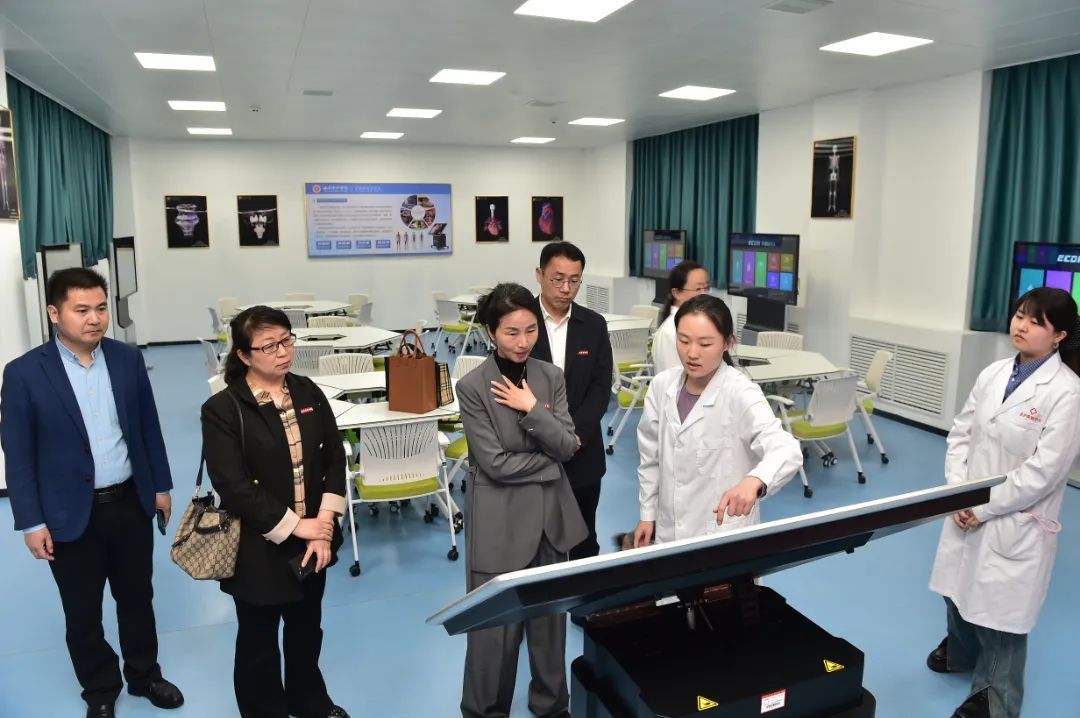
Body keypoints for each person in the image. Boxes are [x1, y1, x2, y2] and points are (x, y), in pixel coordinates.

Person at [1, 268, 183, 718]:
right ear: (54, 313)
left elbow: (148, 427)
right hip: (67, 513)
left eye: (101, 308)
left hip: (129, 502)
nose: (95, 318)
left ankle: (144, 675)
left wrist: (160, 485)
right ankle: (100, 688)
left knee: (137, 598)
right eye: (81, 310)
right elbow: (18, 455)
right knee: (82, 611)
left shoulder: (126, 359)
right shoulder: (24, 373)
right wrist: (31, 521)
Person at [927, 287, 1080, 718]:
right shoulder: (993, 373)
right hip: (966, 504)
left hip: (1015, 518)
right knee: (955, 591)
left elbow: (1044, 472)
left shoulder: (1067, 393)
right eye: (1019, 315)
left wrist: (982, 507)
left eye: (1036, 321)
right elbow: (961, 433)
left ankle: (995, 700)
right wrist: (958, 490)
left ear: (1059, 335)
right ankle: (961, 652)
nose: (1021, 325)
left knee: (1001, 615)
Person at [200, 306, 349, 718]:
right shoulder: (224, 409)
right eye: (268, 346)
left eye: (286, 341)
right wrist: (298, 527)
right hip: (259, 546)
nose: (282, 352)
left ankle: (308, 700)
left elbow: (334, 458)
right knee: (258, 640)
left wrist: (324, 525)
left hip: (315, 540)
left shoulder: (307, 391)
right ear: (244, 355)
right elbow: (233, 486)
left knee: (307, 629)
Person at [457, 283, 587, 718]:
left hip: (550, 521)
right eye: (511, 332)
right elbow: (494, 463)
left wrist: (532, 407)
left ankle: (551, 705)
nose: (522, 341)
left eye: (531, 330)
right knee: (493, 632)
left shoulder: (550, 377)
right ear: (491, 332)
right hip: (500, 522)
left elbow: (567, 445)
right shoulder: (473, 387)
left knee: (551, 625)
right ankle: (484, 711)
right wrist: (551, 462)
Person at [633, 295, 802, 546]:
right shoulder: (661, 386)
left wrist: (754, 480)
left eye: (705, 344)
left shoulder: (741, 392)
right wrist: (647, 514)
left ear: (727, 343)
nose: (692, 353)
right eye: (683, 341)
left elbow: (787, 449)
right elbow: (651, 459)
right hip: (669, 530)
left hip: (721, 532)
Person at [529, 241, 614, 560]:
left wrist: (574, 436)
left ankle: (585, 594)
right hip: (532, 452)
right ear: (539, 275)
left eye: (574, 281)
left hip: (582, 451)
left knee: (583, 539)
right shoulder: (521, 322)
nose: (566, 288)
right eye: (558, 279)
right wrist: (548, 435)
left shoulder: (593, 325)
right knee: (534, 541)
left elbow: (600, 387)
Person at [652, 260, 710, 374]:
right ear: (677, 293)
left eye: (706, 288)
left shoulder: (699, 322)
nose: (705, 295)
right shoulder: (670, 331)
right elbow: (674, 378)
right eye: (698, 289)